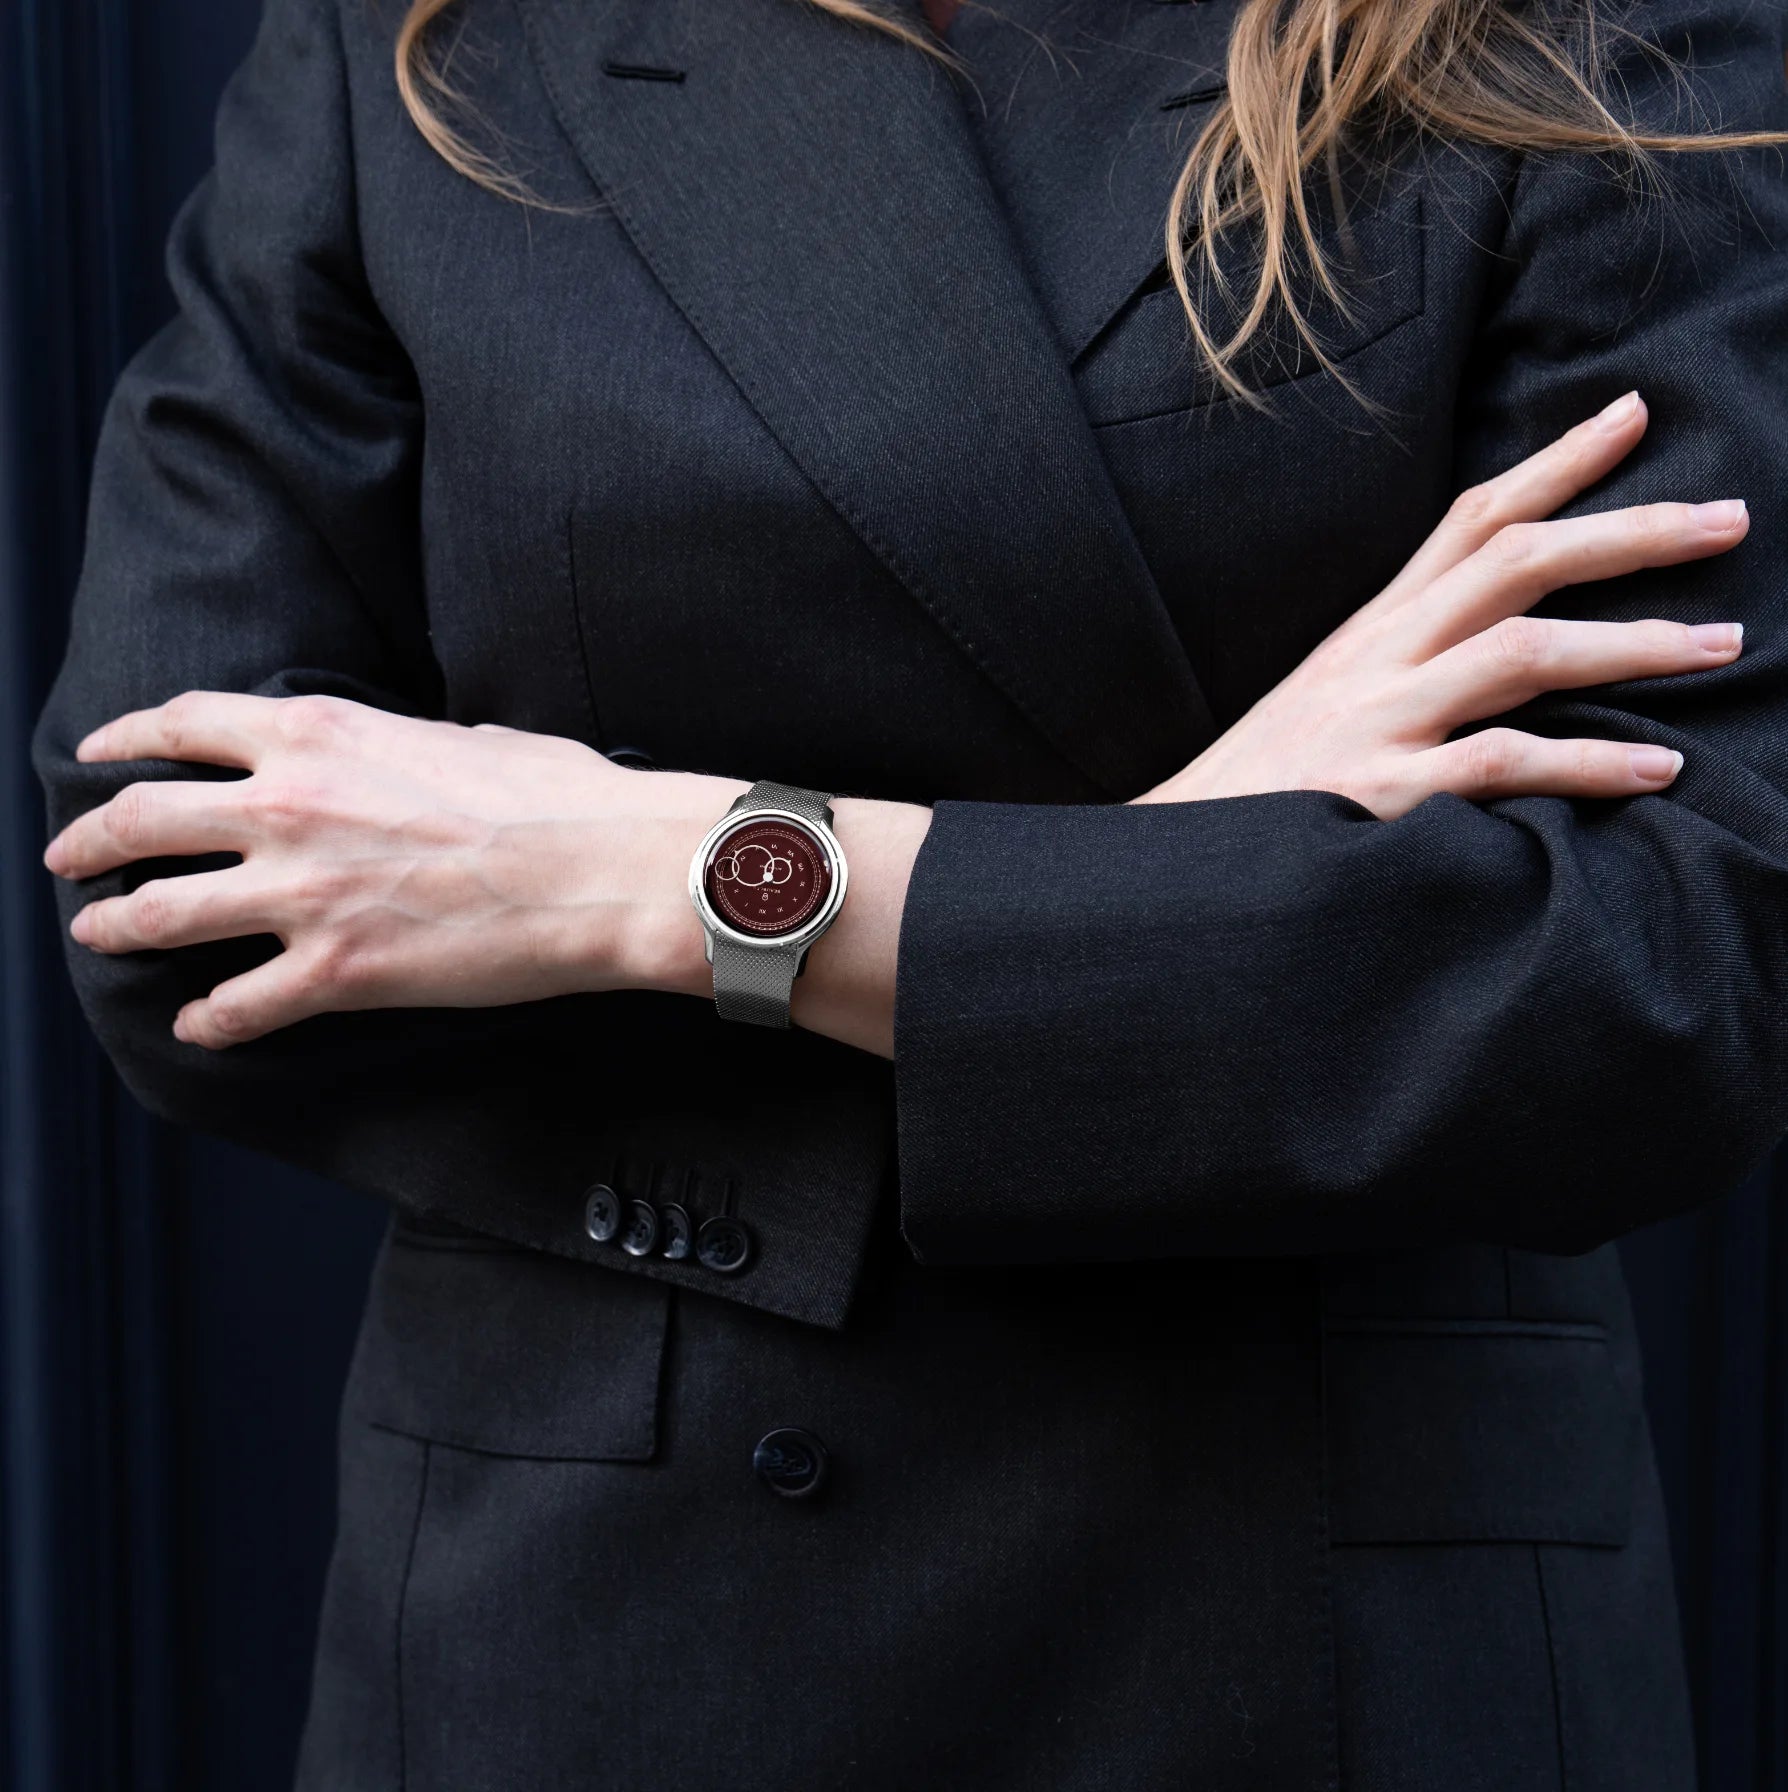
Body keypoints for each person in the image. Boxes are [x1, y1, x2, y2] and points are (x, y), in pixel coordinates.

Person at [29, 0, 1788, 1784]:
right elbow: (174, 892)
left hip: (1327, 1633)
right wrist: (1183, 879)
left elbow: (1661, 971)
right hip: (610, 1641)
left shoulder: (1584, 27)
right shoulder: (430, 44)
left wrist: (632, 874)